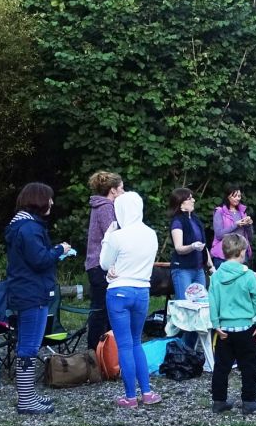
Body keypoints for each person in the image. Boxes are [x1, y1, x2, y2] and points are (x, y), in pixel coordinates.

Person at [5, 181, 74, 415]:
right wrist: (59, 251)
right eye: (49, 199)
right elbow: (40, 260)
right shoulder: (29, 228)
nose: (52, 203)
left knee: (28, 344)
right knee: (29, 347)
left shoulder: (20, 226)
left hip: (25, 291)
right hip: (32, 294)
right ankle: (26, 401)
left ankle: (29, 395)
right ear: (38, 200)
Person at [100, 191, 160, 408]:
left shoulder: (117, 236)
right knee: (137, 342)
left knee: (124, 344)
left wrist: (107, 237)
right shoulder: (151, 234)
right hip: (142, 290)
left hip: (119, 292)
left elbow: (105, 264)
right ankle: (147, 392)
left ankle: (130, 397)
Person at [209, 232, 256, 414]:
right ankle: (249, 402)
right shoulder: (249, 275)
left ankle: (219, 401)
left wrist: (215, 324)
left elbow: (212, 301)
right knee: (249, 365)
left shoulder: (216, 276)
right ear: (242, 252)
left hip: (224, 330)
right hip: (246, 328)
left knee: (221, 366)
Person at [84, 170, 123, 350]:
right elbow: (113, 236)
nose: (123, 192)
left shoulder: (100, 205)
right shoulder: (106, 207)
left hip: (96, 264)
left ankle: (104, 353)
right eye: (121, 188)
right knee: (101, 311)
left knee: (102, 310)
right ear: (113, 190)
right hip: (100, 264)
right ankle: (95, 353)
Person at [168, 187, 212, 299]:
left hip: (199, 269)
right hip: (183, 269)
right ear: (181, 203)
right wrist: (192, 247)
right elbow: (179, 248)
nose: (193, 201)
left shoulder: (195, 220)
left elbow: (203, 246)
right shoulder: (177, 222)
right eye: (189, 198)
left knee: (201, 303)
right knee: (185, 304)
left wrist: (211, 266)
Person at [211, 186, 253, 269]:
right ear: (227, 196)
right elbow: (219, 234)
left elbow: (250, 238)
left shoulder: (242, 212)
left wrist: (248, 225)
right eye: (234, 196)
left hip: (241, 254)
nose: (237, 198)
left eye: (239, 196)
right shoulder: (219, 211)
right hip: (224, 256)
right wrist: (235, 224)